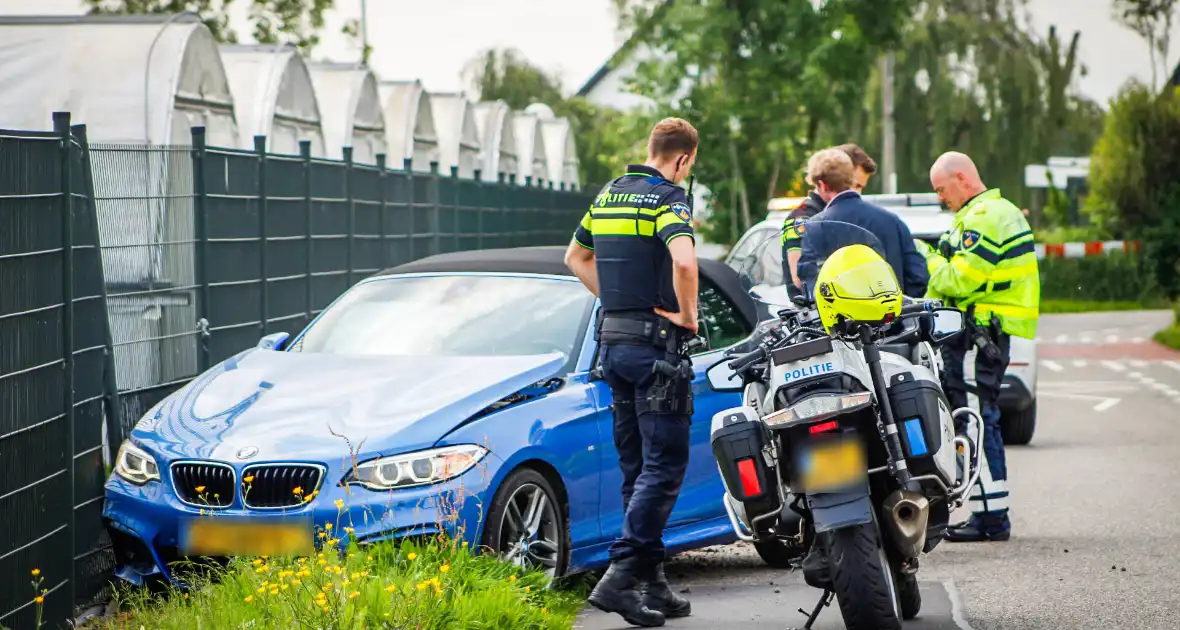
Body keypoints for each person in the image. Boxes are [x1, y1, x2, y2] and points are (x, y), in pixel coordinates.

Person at [564, 117, 700, 627]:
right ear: (683, 159)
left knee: (636, 467)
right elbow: (684, 263)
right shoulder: (669, 199)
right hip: (658, 350)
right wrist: (686, 316)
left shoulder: (609, 196)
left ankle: (651, 581)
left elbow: (575, 257)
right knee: (664, 467)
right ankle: (621, 578)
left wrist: (619, 302)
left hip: (613, 346)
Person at [916, 151, 1040, 542]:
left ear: (962, 179)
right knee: (977, 419)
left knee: (974, 420)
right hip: (981, 333)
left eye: (941, 189)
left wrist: (924, 258)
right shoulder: (989, 213)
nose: (940, 197)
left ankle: (991, 520)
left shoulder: (984, 218)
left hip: (975, 334)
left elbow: (959, 281)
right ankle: (990, 514)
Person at [794, 147, 929, 297]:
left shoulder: (816, 227)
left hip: (839, 319)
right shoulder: (892, 220)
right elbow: (918, 276)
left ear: (823, 185)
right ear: (851, 179)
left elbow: (811, 285)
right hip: (892, 316)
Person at [781, 144, 878, 297]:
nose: (856, 192)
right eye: (855, 185)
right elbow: (800, 279)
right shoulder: (802, 217)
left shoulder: (851, 216)